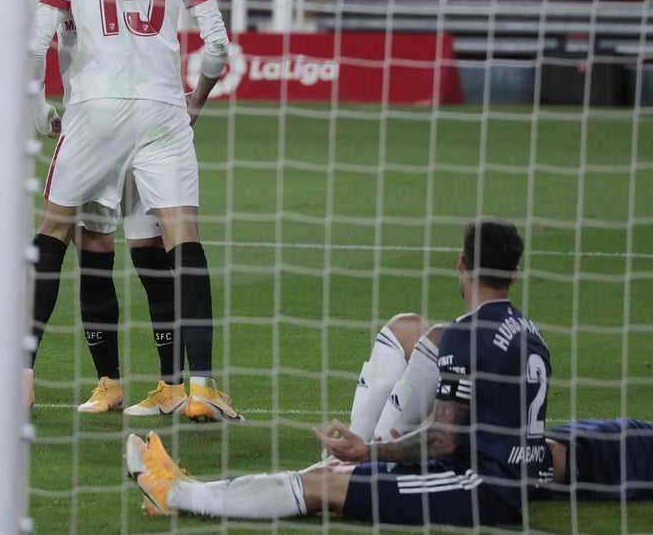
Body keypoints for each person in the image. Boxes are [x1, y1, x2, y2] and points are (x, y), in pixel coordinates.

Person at [127, 218, 553, 526]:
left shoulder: (468, 335)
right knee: (410, 331)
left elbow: (442, 438)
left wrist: (371, 454)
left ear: (461, 265)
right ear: (515, 272)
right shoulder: (532, 333)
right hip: (496, 477)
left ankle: (177, 494)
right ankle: (187, 488)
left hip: (478, 489)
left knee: (324, 486)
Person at [29, 0, 239, 422]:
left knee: (70, 240)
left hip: (91, 116)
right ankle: (194, 385)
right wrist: (195, 100)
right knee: (172, 243)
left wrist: (36, 107)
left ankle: (38, 376)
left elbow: (34, 43)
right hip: (161, 111)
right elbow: (218, 49)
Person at [328, 306, 653, 504]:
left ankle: (363, 460)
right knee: (409, 328)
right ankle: (361, 450)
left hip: (525, 461)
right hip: (521, 440)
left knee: (440, 336)